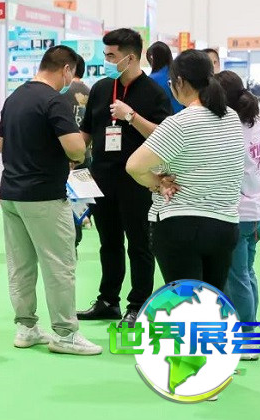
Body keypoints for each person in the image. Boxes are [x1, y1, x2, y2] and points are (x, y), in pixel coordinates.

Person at [0, 45, 101, 356]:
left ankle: (26, 327)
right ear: (67, 69)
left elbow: (2, 144)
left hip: (11, 193)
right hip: (44, 195)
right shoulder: (54, 100)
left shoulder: (14, 98)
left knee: (20, 265)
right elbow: (76, 149)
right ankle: (66, 333)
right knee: (59, 265)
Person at [77, 28, 172, 328]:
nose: (106, 61)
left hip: (137, 179)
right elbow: (86, 131)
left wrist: (131, 116)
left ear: (130, 58)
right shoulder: (101, 88)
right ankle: (108, 300)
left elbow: (164, 135)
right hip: (102, 176)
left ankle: (138, 304)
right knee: (109, 242)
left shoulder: (154, 93)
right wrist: (71, 158)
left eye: (111, 56)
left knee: (139, 244)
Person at [126, 51, 244, 291]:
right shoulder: (231, 117)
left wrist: (157, 183)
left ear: (179, 82)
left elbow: (134, 166)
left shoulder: (179, 123)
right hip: (225, 226)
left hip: (181, 226)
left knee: (185, 304)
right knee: (213, 302)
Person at [215, 71, 260, 357]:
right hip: (259, 211)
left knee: (237, 278)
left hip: (241, 213)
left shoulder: (232, 127)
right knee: (246, 273)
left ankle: (248, 338)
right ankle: (252, 333)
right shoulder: (255, 120)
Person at [63, 54, 91, 248]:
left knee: (65, 200)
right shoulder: (90, 91)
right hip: (86, 153)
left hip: (66, 154)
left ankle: (71, 238)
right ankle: (79, 230)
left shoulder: (62, 92)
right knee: (80, 199)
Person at [146, 41, 184, 113]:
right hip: (182, 115)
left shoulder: (151, 80)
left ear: (152, 58)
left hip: (163, 117)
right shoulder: (178, 75)